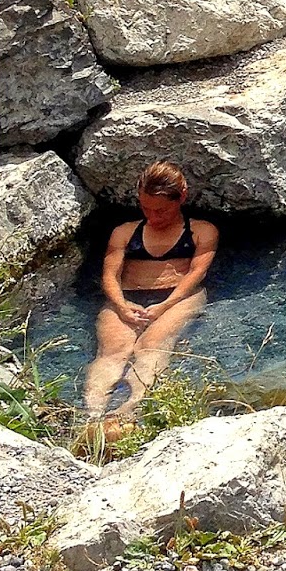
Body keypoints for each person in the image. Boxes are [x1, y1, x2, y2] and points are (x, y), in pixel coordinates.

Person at [84, 162, 218, 426]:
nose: (153, 217)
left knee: (151, 346)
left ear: (182, 197)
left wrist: (166, 305)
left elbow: (195, 274)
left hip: (178, 297)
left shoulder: (202, 231)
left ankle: (130, 410)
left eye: (161, 210)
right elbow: (110, 275)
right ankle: (91, 415)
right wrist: (121, 307)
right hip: (128, 296)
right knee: (113, 351)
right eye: (146, 208)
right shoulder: (124, 232)